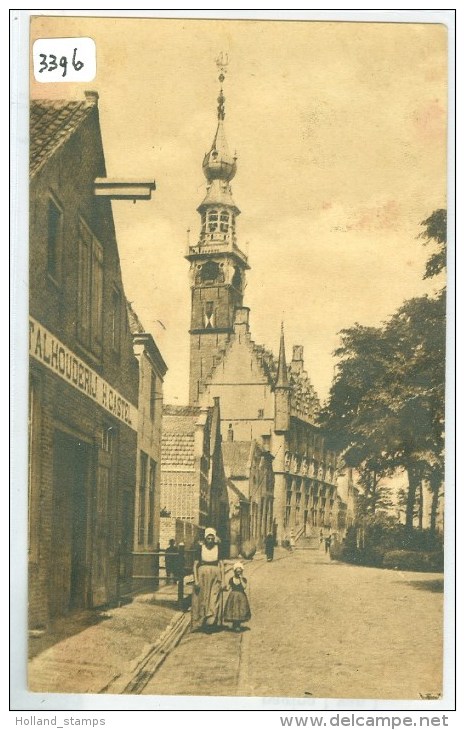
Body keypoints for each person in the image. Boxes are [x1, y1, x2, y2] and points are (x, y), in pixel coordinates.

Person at [191, 527, 226, 633]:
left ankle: (212, 622)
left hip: (216, 575)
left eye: (212, 538)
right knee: (201, 598)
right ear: (205, 538)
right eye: (208, 538)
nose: (210, 541)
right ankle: (200, 622)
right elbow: (195, 565)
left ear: (214, 538)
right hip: (202, 575)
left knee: (214, 598)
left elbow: (221, 564)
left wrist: (223, 580)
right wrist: (196, 580)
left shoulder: (218, 548)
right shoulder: (200, 548)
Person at [224, 562, 251, 632]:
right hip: (233, 596)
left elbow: (244, 587)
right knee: (233, 610)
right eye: (237, 571)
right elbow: (228, 588)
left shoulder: (243, 579)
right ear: (234, 571)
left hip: (241, 596)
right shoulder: (231, 579)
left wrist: (241, 578)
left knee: (240, 610)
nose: (238, 573)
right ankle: (234, 624)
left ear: (242, 571)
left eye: (240, 571)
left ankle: (238, 625)